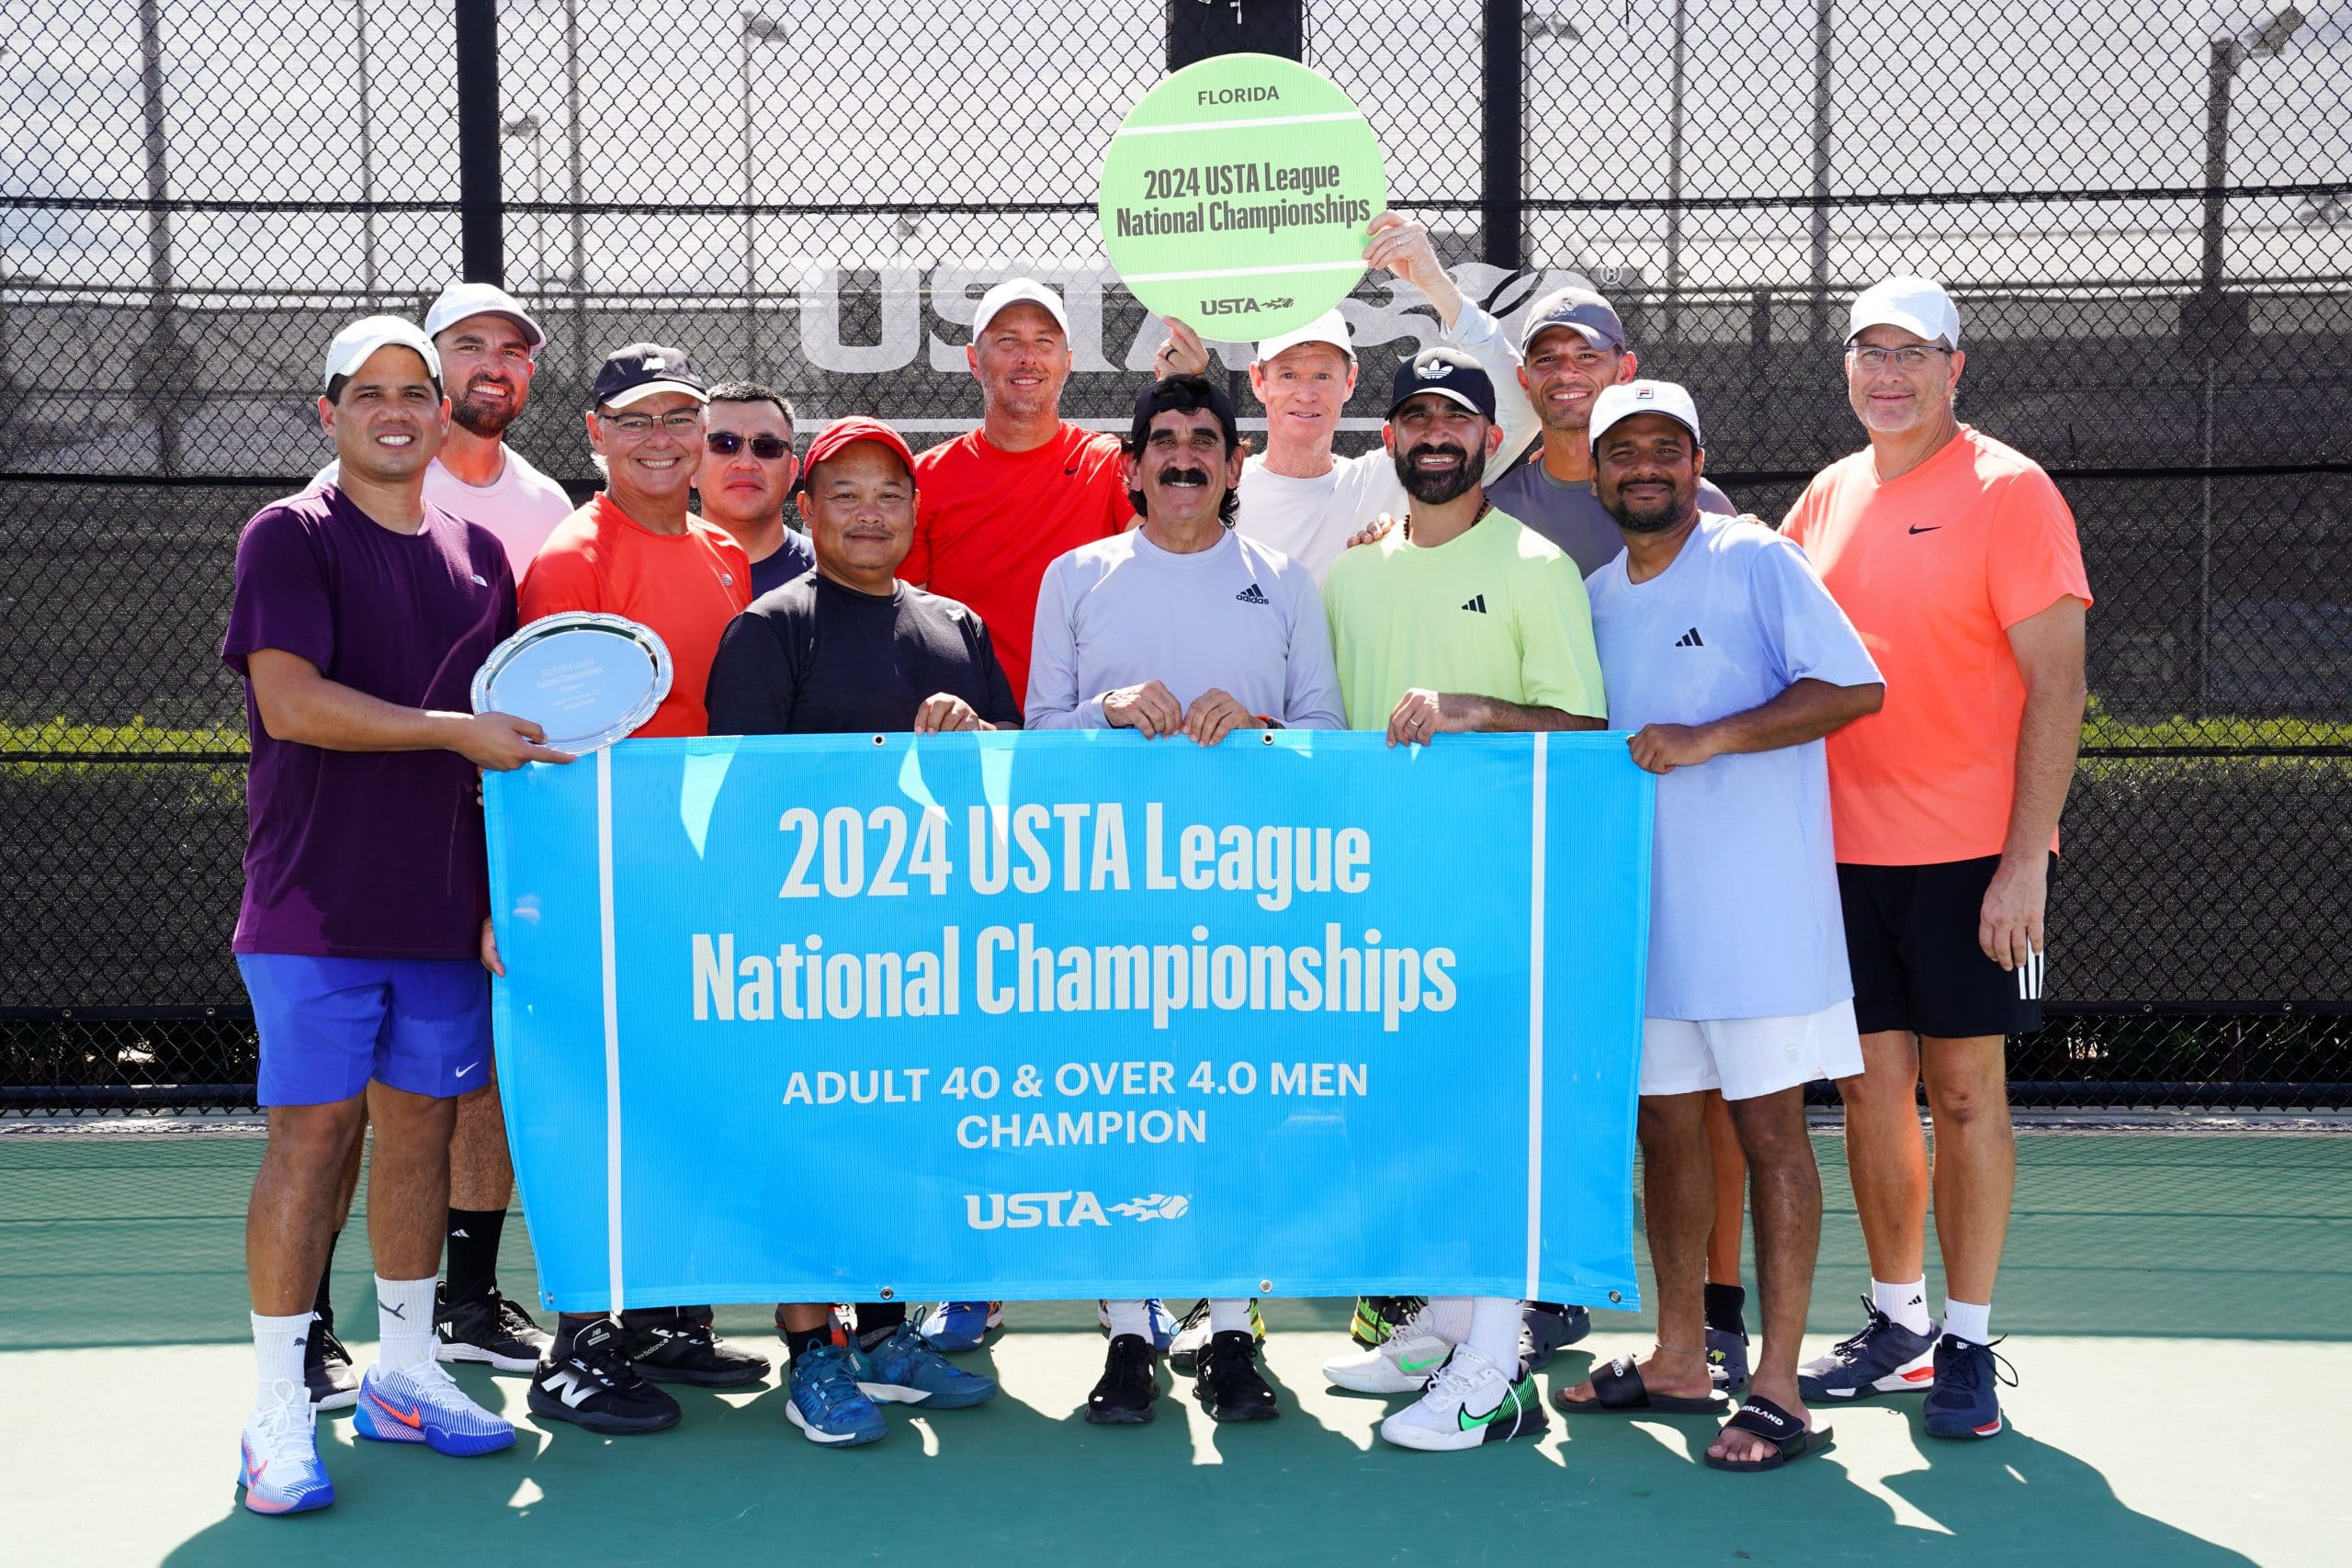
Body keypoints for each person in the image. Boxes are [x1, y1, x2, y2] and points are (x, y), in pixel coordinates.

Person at [223, 316, 568, 1514]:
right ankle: (277, 1403)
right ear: (330, 414)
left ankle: (408, 1372)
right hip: (312, 911)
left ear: (438, 410)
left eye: (412, 390)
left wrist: (497, 898)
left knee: (421, 1132)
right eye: (366, 392)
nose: (394, 410)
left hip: (440, 913)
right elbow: (293, 702)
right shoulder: (288, 535)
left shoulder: (480, 558)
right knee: (313, 1138)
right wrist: (453, 733)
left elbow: (507, 754)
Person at [1551, 381, 1883, 1472]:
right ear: (1596, 473)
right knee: (1663, 1131)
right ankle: (1681, 1358)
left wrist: (1711, 736)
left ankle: (1778, 1387)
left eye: (1666, 448)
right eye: (1622, 451)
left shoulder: (1755, 559)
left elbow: (1853, 687)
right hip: (1646, 924)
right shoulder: (1592, 596)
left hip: (1761, 924)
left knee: (1770, 1135)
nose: (1644, 466)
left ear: (1696, 463)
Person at [1782, 277, 2090, 1441]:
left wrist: (2025, 863)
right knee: (1869, 1092)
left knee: (1964, 1096)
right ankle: (1898, 1321)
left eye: (1911, 353)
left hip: (1973, 861)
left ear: (1954, 369)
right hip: (1840, 858)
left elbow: (2057, 683)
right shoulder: (1828, 493)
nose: (1888, 373)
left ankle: (1966, 1337)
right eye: (1869, 352)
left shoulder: (2012, 491)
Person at [1027, 375, 1344, 1426]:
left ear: (1233, 462)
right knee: (1121, 1113)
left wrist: (1258, 727)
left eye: (1203, 439)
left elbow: (1325, 737)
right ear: (1131, 466)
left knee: (1238, 1114)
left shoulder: (1284, 582)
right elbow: (1036, 741)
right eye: (1161, 440)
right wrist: (1103, 711)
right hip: (1109, 904)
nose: (1182, 456)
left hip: (1246, 903)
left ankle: (1233, 1332)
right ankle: (1129, 1331)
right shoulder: (1075, 577)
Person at [1314, 347, 1606, 1452]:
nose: (1434, 437)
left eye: (1456, 420)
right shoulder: (1349, 574)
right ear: (1389, 438)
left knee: (1487, 1129)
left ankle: (1493, 1373)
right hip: (1375, 903)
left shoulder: (1537, 566)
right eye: (1416, 419)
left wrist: (1477, 708)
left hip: (1494, 903)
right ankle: (1440, 1325)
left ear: (1490, 439)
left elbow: (1587, 733)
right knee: (1406, 1122)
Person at [906, 278, 1204, 1349]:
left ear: (1068, 364)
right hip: (976, 801)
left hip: (1104, 798)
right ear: (975, 361)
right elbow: (909, 623)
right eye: (1005, 340)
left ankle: (1130, 1282)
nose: (1025, 356)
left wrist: (1192, 382)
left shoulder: (1105, 467)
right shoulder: (930, 481)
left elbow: (1183, 536)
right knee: (977, 1045)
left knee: (1118, 1042)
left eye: (1044, 340)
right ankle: (973, 1277)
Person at [705, 416, 1011, 1445]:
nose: (869, 513)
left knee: (899, 1141)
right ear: (807, 510)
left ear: (916, 511)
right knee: (805, 1145)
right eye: (845, 494)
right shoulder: (770, 629)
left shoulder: (959, 627)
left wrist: (978, 740)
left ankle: (884, 1335)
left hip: (929, 953)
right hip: (810, 958)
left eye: (889, 494)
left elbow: (1012, 787)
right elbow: (743, 811)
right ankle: (812, 1352)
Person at [305, 281, 574, 1395]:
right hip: (348, 855)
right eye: (468, 346)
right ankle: (309, 1322)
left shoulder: (543, 505)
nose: (491, 367)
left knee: (474, 1082)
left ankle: (464, 1303)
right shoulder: (327, 505)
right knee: (337, 1112)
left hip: (484, 840)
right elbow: (303, 695)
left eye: (513, 349)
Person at [513, 342, 771, 1434]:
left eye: (678, 419)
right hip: (601, 882)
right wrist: (538, 892)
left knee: (682, 1093)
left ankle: (661, 1318)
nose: (661, 440)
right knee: (601, 1105)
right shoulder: (572, 559)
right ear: (596, 436)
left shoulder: (723, 553)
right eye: (636, 421)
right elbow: (537, 744)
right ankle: (576, 1352)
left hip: (696, 877)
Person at [1231, 212, 1538, 582]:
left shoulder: (1392, 478)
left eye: (1323, 375)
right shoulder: (1221, 487)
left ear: (1350, 381)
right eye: (1289, 375)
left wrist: (1433, 282)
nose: (1306, 394)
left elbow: (1521, 411)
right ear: (1258, 381)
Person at [1484, 286, 1738, 575]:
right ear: (1525, 381)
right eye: (1546, 359)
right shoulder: (1494, 509)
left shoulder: (1697, 503)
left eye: (1587, 356)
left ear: (1625, 370)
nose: (1565, 372)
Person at [693, 380, 815, 597]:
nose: (746, 463)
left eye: (767, 447)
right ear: (692, 467)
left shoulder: (832, 576)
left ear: (791, 472)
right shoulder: (650, 571)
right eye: (723, 444)